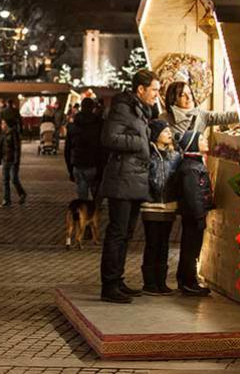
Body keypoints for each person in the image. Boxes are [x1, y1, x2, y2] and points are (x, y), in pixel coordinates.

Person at [98, 69, 160, 303]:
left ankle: (118, 280)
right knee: (117, 233)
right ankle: (109, 285)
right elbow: (109, 138)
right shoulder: (123, 107)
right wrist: (139, 143)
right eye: (154, 89)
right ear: (140, 89)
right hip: (122, 179)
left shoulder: (141, 110)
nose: (156, 94)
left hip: (133, 179)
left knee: (126, 234)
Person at [141, 119, 182, 296]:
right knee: (152, 243)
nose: (169, 134)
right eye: (165, 131)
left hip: (168, 206)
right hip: (151, 206)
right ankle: (149, 282)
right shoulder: (149, 154)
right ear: (156, 135)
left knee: (164, 243)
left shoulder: (175, 155)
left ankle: (161, 281)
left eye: (169, 131)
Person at [174, 129, 214, 296]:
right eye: (202, 139)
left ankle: (187, 280)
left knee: (190, 248)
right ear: (194, 144)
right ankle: (188, 281)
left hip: (193, 214)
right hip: (193, 215)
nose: (206, 141)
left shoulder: (194, 164)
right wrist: (199, 215)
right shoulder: (192, 168)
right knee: (191, 248)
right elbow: (193, 194)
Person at [161, 81, 239, 142]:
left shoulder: (201, 115)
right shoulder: (164, 119)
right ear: (174, 99)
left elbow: (224, 117)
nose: (189, 97)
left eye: (190, 93)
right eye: (182, 95)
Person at [64, 98, 104, 202]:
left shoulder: (73, 126)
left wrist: (70, 168)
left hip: (78, 164)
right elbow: (102, 148)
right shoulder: (99, 125)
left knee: (82, 200)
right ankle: (94, 215)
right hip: (94, 164)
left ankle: (84, 216)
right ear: (92, 108)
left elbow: (67, 149)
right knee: (97, 200)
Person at [0, 118, 27, 206]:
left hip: (12, 160)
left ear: (7, 124)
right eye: (1, 123)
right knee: (5, 180)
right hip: (5, 160)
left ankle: (22, 193)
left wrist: (16, 159)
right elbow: (1, 147)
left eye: (3, 123)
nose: (1, 125)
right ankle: (6, 199)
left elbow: (17, 148)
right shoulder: (3, 134)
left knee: (14, 179)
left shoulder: (14, 133)